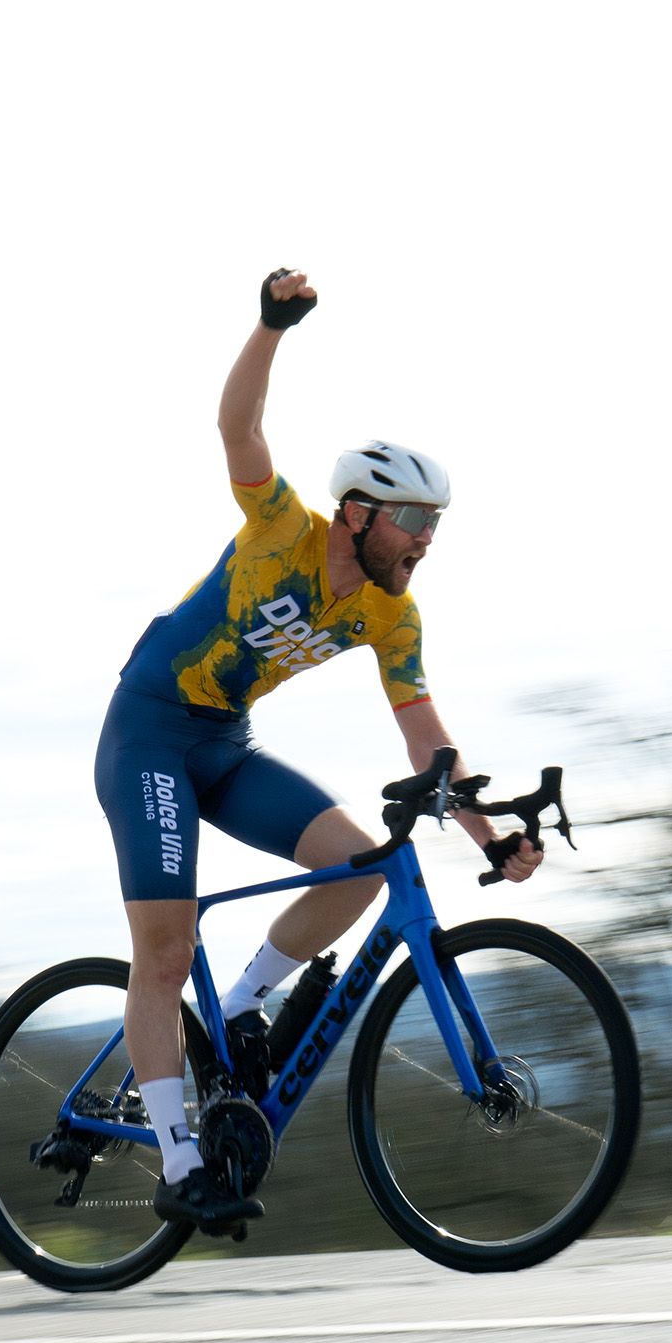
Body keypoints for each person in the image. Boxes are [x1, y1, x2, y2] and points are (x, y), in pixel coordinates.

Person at [93, 268, 543, 1234]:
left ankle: (245, 1007)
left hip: (223, 743)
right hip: (149, 735)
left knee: (359, 868)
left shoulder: (392, 611)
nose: (426, 540)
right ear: (358, 513)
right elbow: (238, 434)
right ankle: (178, 1159)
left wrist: (486, 834)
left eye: (437, 524)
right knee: (164, 952)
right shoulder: (281, 529)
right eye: (413, 520)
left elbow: (425, 735)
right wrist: (269, 328)